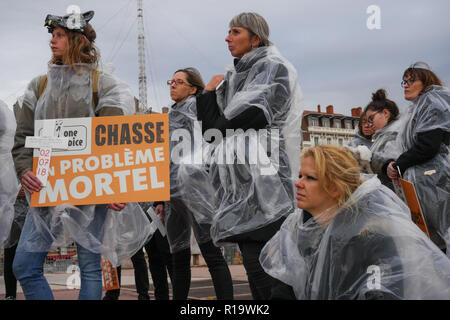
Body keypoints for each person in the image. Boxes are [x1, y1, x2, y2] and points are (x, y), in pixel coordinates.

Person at [11, 10, 152, 300]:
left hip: (89, 189)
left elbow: (114, 143)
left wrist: (113, 186)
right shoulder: (38, 86)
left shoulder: (103, 85)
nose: (52, 40)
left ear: (77, 40)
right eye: (52, 35)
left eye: (60, 35)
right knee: (24, 265)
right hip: (46, 187)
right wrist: (25, 171)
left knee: (89, 268)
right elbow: (22, 138)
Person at [178, 12, 303, 299]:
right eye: (228, 32)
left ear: (255, 38)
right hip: (242, 186)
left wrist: (216, 112)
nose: (227, 37)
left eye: (235, 32)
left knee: (273, 271)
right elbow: (212, 132)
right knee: (253, 267)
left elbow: (248, 119)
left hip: (267, 181)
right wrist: (208, 93)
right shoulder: (233, 78)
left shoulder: (275, 68)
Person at [260, 145, 450, 299]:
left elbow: (383, 294)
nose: (298, 183)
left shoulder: (372, 237)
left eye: (310, 178)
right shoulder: (297, 230)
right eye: (300, 175)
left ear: (335, 188)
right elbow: (283, 290)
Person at [154, 68, 233, 300]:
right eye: (171, 81)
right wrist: (160, 198)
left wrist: (210, 90)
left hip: (196, 190)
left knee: (211, 253)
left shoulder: (198, 106)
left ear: (193, 88)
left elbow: (214, 139)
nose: (173, 85)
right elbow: (164, 158)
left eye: (179, 81)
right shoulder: (169, 117)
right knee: (178, 255)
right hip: (171, 193)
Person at [385, 62, 449, 255]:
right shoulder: (415, 109)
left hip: (433, 179)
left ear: (426, 82)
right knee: (431, 237)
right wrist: (395, 165)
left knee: (441, 232)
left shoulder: (432, 102)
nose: (405, 84)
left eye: (411, 80)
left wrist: (400, 164)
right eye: (404, 81)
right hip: (421, 182)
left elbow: (428, 145)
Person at [103, 202, 173, 300]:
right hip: (118, 212)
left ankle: (143, 294)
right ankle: (112, 294)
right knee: (113, 255)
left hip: (137, 212)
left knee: (141, 256)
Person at [0, 99, 23, 300]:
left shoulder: (17, 151)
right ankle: (10, 295)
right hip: (11, 209)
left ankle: (11, 295)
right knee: (10, 253)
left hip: (24, 208)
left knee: (21, 256)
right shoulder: (6, 155)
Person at [362, 89, 400, 191]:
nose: (369, 124)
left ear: (385, 113)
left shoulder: (395, 135)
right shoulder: (383, 136)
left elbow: (389, 162)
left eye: (371, 119)